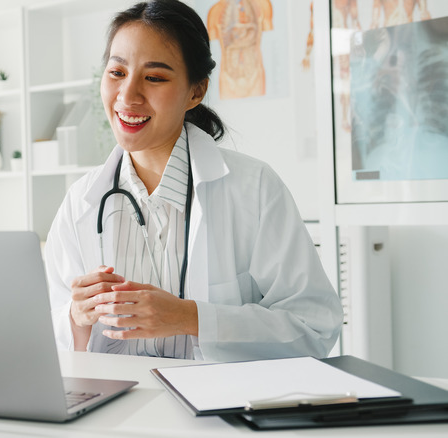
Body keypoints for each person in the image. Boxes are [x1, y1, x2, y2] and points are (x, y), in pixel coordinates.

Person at [44, 0, 342, 362]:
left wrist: (191, 318)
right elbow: (45, 340)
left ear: (195, 92)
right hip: (112, 406)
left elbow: (314, 327)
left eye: (154, 77)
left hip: (218, 409)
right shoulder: (81, 203)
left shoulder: (254, 188)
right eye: (117, 73)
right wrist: (76, 318)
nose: (128, 95)